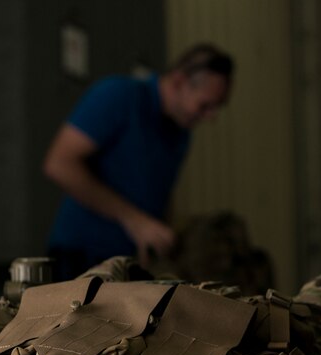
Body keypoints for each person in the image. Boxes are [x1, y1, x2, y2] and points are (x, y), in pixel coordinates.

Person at [43, 43, 234, 280]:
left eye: (217, 108)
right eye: (205, 106)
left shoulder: (181, 131)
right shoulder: (118, 96)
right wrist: (134, 220)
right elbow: (59, 163)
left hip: (129, 264)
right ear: (178, 81)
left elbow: (159, 194)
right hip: (79, 259)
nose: (211, 117)